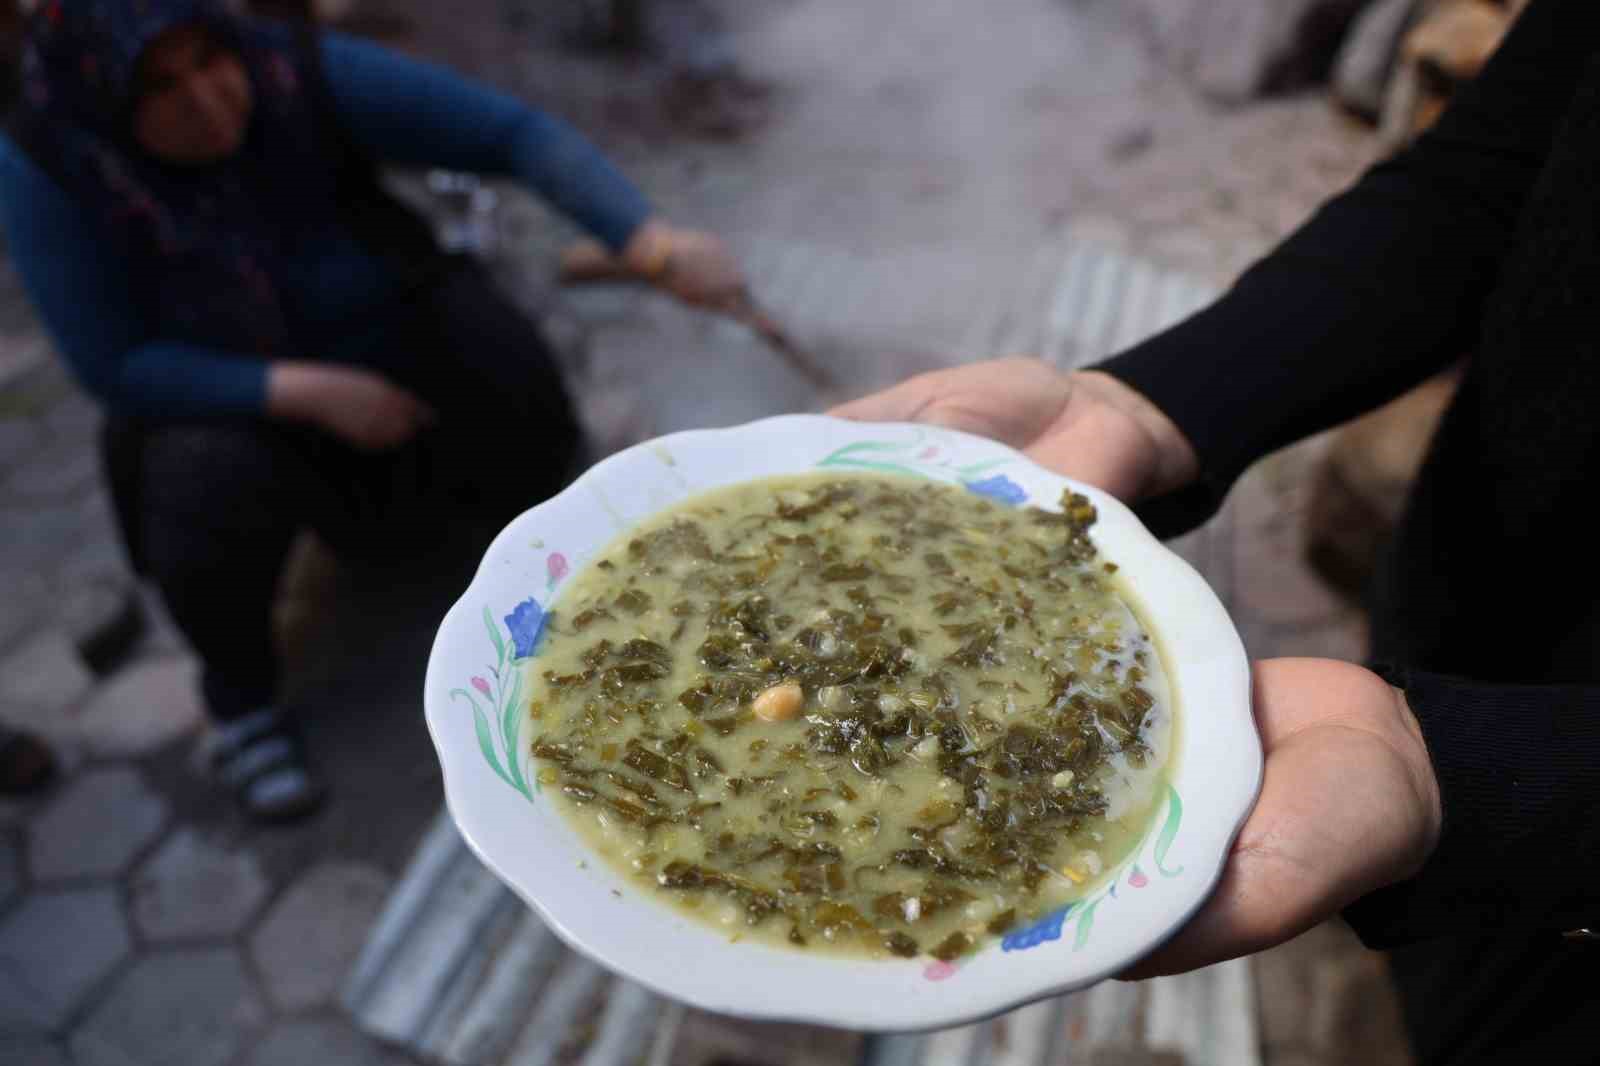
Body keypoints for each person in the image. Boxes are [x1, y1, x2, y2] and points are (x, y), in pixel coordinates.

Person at [836, 1, 1599, 1062]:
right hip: (1470, 602)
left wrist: (1495, 783)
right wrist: (1153, 406)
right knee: (1416, 954)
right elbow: (1493, 171)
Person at [0, 0, 748, 822]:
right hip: (232, 392)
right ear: (101, 94)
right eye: (161, 87)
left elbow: (509, 134)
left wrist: (650, 243)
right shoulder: (52, 165)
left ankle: (522, 560)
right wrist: (311, 392)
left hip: (386, 329)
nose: (209, 101)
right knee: (198, 480)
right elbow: (114, 365)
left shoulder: (292, 70)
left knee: (503, 364)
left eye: (211, 60)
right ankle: (241, 702)